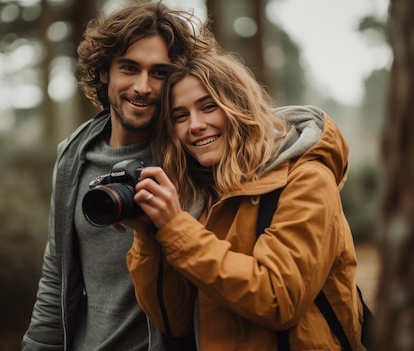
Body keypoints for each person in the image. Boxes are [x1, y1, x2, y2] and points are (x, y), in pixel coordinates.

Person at [123, 51, 365, 350]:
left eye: (208, 107)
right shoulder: (198, 197)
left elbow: (279, 299)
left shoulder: (306, 179)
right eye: (180, 116)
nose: (195, 125)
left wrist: (176, 228)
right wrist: (149, 235)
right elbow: (176, 321)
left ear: (239, 106)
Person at [21, 2, 215, 350]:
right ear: (105, 71)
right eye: (129, 67)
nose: (143, 86)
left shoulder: (194, 155)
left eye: (159, 72)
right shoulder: (73, 156)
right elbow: (56, 278)